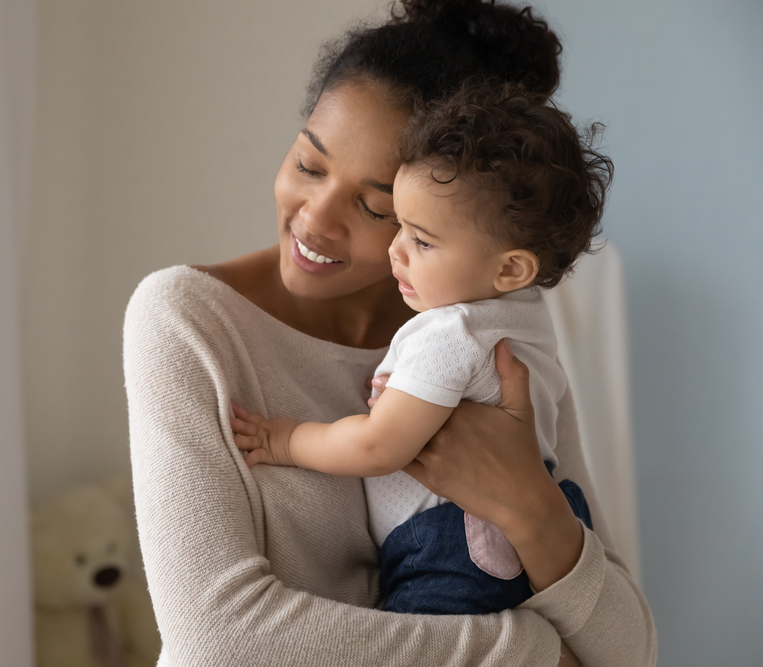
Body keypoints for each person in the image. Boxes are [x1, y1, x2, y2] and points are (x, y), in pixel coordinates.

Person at [123, 1, 657, 665]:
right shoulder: (188, 319)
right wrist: (536, 652)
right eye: (308, 165)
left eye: (375, 207)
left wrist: (530, 508)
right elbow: (220, 639)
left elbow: (629, 650)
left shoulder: (486, 340)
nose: (314, 219)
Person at [229, 81, 606, 617]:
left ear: (510, 267)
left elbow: (375, 449)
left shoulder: (451, 331)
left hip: (454, 547)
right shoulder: (526, 316)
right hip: (537, 530)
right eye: (398, 224)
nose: (396, 250)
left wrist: (285, 439)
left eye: (422, 240)